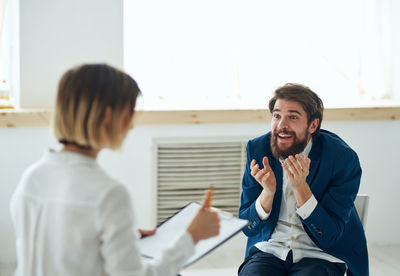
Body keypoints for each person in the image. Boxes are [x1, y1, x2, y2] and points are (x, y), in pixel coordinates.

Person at [10, 64, 220, 276]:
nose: (131, 126)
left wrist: (118, 237)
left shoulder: (31, 178)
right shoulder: (109, 195)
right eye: (130, 114)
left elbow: (58, 248)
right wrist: (192, 237)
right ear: (108, 116)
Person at [238, 83, 368, 276]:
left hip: (322, 254)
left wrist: (301, 188)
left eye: (293, 117)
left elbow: (330, 236)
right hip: (271, 249)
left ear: (313, 125)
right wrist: (268, 193)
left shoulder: (342, 159)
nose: (281, 125)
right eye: (276, 115)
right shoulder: (258, 149)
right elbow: (247, 227)